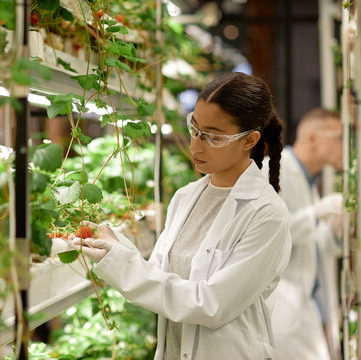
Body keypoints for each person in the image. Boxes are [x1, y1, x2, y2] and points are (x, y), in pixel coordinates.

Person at [70, 72, 292, 360]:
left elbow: (210, 305)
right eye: (195, 129)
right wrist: (116, 246)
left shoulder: (266, 214)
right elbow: (163, 279)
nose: (196, 145)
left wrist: (121, 263)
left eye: (213, 137)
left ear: (249, 140)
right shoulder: (185, 197)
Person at [262, 108, 343, 360]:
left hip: (308, 305)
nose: (345, 147)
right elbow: (268, 234)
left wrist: (336, 227)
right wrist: (317, 213)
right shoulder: (273, 170)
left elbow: (315, 243)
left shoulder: (308, 179)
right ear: (312, 138)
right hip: (283, 308)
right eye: (339, 139)